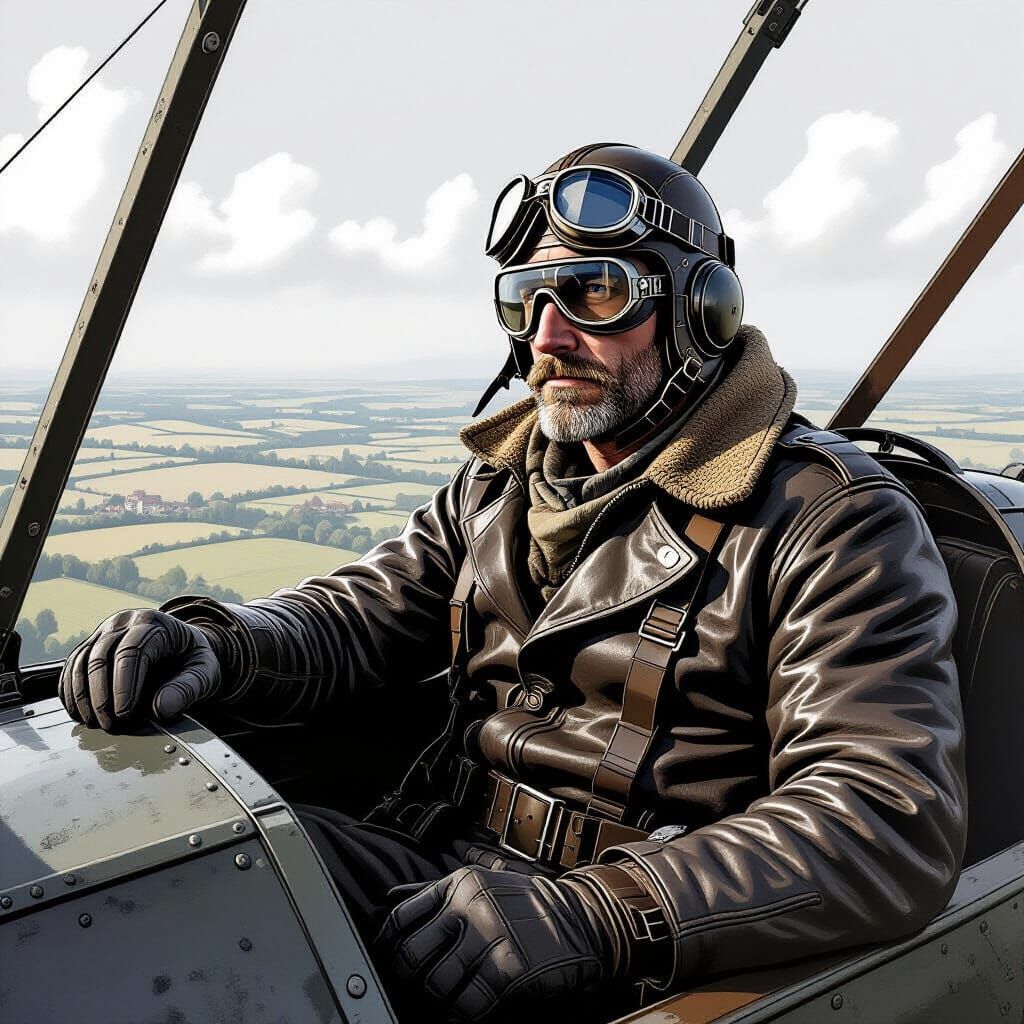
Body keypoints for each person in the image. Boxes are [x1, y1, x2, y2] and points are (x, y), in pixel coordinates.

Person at [58, 143, 967, 1024]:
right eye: (524, 300)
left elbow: (881, 818)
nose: (546, 336)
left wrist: (601, 915)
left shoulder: (829, 519)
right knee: (176, 873)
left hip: (640, 948)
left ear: (701, 310)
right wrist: (221, 643)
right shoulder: (503, 484)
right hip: (440, 867)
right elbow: (359, 614)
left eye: (591, 293)